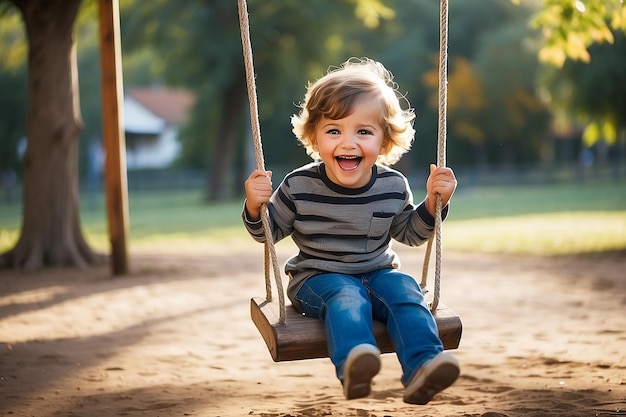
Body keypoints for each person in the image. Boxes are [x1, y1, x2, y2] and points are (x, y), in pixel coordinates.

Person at [242, 57, 459, 405]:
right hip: (317, 278)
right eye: (334, 130)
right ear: (314, 136)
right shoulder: (299, 185)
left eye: (363, 131)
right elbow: (266, 233)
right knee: (346, 297)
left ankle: (423, 368)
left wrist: (434, 204)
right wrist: (255, 206)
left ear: (384, 141)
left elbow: (411, 234)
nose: (348, 143)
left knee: (405, 290)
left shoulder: (393, 185)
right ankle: (356, 363)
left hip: (377, 273)